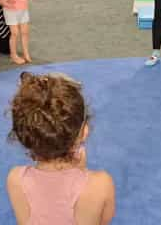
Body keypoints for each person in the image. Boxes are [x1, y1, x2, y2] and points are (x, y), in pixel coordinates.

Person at [7, 72, 116, 224]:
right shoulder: (100, 184)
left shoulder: (15, 179)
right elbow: (103, 221)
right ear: (84, 132)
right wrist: (81, 173)